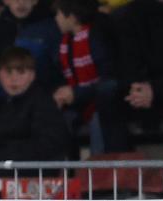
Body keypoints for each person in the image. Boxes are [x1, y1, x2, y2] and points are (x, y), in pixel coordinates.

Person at [0, 47, 70, 162]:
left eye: (21, 72)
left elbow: (46, 145)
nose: (14, 79)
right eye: (8, 72)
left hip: (31, 174)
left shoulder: (44, 104)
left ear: (32, 75)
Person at [51, 0, 128, 153]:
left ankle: (99, 168)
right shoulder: (66, 43)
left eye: (58, 14)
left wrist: (76, 93)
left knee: (98, 120)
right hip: (80, 105)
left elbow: (109, 81)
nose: (56, 19)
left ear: (72, 17)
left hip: (104, 106)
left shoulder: (97, 37)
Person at [0, 0, 61, 93]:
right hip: (0, 90)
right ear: (6, 1)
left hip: (39, 91)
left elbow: (57, 67)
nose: (21, 3)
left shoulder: (50, 27)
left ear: (35, 1)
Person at [115, 0, 163, 122]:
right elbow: (128, 63)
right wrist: (140, 91)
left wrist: (156, 91)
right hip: (145, 95)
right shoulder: (129, 15)